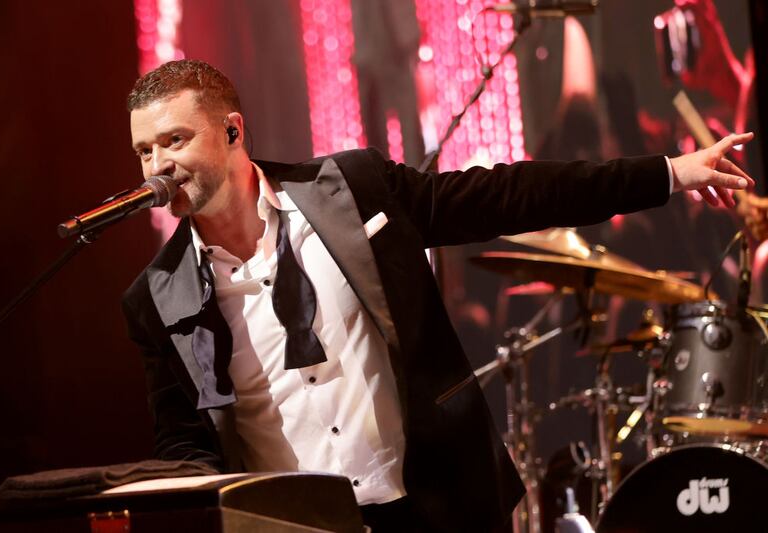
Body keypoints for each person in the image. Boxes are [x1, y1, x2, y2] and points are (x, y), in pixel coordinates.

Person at [121, 59, 754, 532]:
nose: (157, 166)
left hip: (432, 508)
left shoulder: (352, 189)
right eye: (144, 151)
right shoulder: (158, 297)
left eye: (175, 140)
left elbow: (509, 195)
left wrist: (670, 173)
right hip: (301, 523)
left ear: (233, 132)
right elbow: (184, 446)